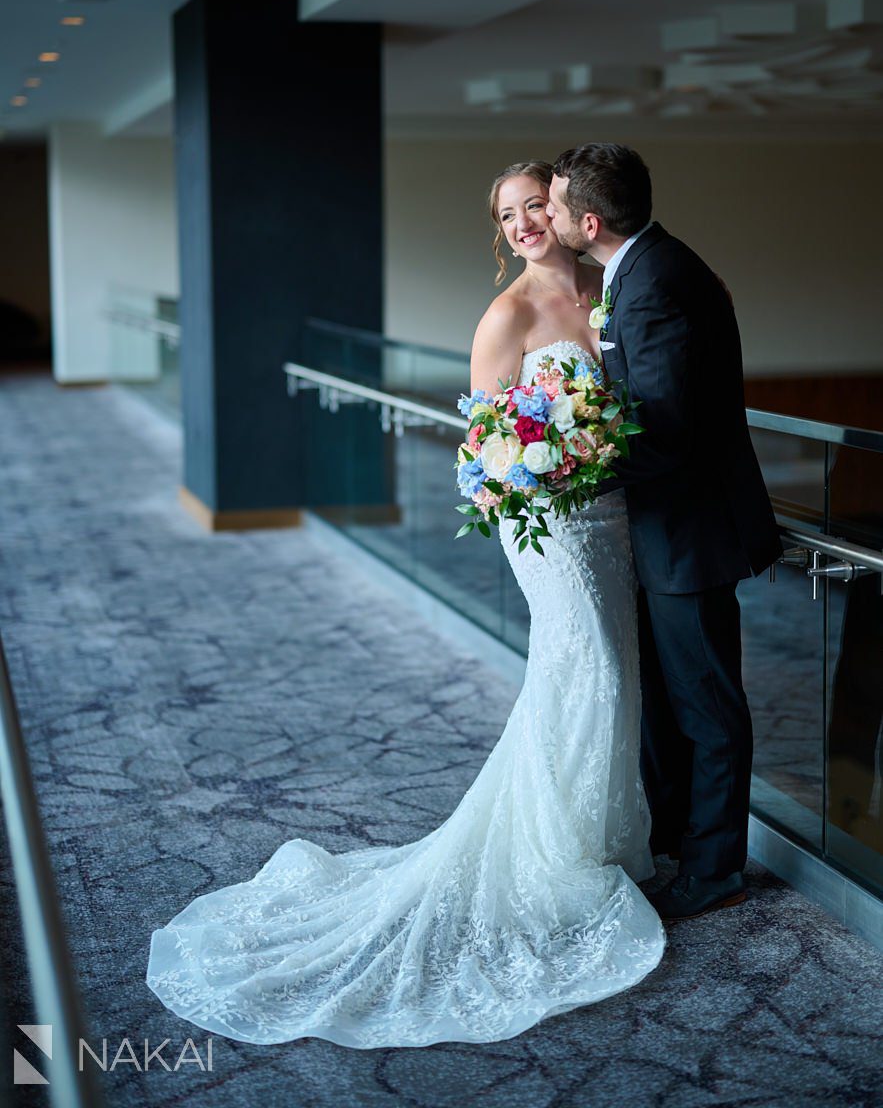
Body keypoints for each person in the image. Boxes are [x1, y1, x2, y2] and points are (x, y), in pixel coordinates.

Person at [146, 160, 665, 1049]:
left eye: (535, 205)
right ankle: (561, 861)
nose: (524, 223)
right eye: (507, 214)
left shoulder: (610, 292)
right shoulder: (507, 316)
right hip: (550, 523)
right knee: (595, 671)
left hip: (614, 516)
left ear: (569, 209)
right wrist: (548, 468)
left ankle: (608, 843)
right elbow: (486, 444)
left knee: (614, 675)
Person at [547, 143, 782, 920]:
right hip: (659, 528)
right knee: (669, 700)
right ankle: (683, 842)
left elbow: (668, 428)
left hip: (689, 532)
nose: (544, 219)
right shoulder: (642, 268)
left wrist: (571, 471)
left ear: (588, 220)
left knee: (708, 706)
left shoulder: (651, 285)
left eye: (552, 207)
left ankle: (715, 869)